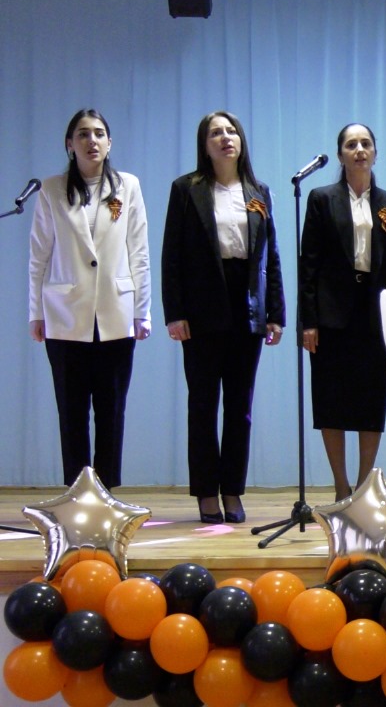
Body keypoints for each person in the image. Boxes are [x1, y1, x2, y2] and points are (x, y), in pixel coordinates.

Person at [162, 111, 285, 524]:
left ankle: (232, 489)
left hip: (246, 306)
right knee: (202, 404)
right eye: (216, 133)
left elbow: (270, 257)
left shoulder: (258, 191)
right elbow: (171, 255)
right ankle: (205, 493)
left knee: (239, 407)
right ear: (205, 144)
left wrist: (275, 313)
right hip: (201, 308)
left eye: (231, 131)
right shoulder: (187, 189)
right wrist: (175, 313)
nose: (225, 138)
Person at [28, 109, 151, 489]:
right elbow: (39, 256)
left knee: (112, 410)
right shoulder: (51, 189)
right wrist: (36, 313)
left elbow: (139, 252)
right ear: (70, 144)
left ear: (109, 143)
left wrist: (142, 311)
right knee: (72, 412)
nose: (91, 140)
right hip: (64, 315)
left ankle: (107, 492)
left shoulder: (127, 186)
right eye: (82, 134)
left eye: (99, 133)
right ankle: (77, 493)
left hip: (116, 311)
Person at [300, 124, 386, 500]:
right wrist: (308, 321)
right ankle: (340, 485)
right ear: (341, 155)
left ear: (375, 153)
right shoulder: (321, 199)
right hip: (331, 315)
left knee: (371, 401)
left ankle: (364, 487)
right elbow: (309, 265)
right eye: (351, 144)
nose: (359, 149)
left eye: (366, 144)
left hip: (375, 314)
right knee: (331, 402)